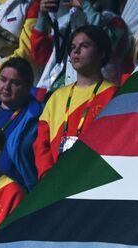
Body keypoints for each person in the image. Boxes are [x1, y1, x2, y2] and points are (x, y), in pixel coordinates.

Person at [34, 24, 116, 177]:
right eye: (72, 47)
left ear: (101, 53)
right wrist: (46, 174)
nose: (76, 51)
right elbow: (41, 142)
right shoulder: (57, 96)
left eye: (84, 45)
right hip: (56, 179)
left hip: (93, 178)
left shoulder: (113, 94)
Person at [34, 0, 128, 94]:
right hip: (59, 91)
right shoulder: (65, 21)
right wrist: (42, 15)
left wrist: (85, 6)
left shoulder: (114, 21)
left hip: (97, 93)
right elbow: (39, 56)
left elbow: (106, 44)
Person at [0, 57, 43, 190]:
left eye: (15, 83)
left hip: (20, 193)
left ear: (28, 87)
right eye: (3, 79)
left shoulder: (38, 117)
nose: (6, 87)